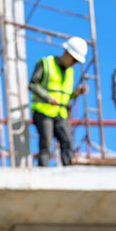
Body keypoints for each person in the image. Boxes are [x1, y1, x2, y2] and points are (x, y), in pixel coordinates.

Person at [30, 36, 89, 166]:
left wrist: (76, 93)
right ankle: (42, 170)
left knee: (67, 140)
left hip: (60, 113)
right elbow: (33, 84)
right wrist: (47, 97)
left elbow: (65, 96)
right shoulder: (46, 63)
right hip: (42, 110)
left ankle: (68, 169)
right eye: (74, 60)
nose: (74, 63)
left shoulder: (70, 72)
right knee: (46, 141)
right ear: (67, 53)